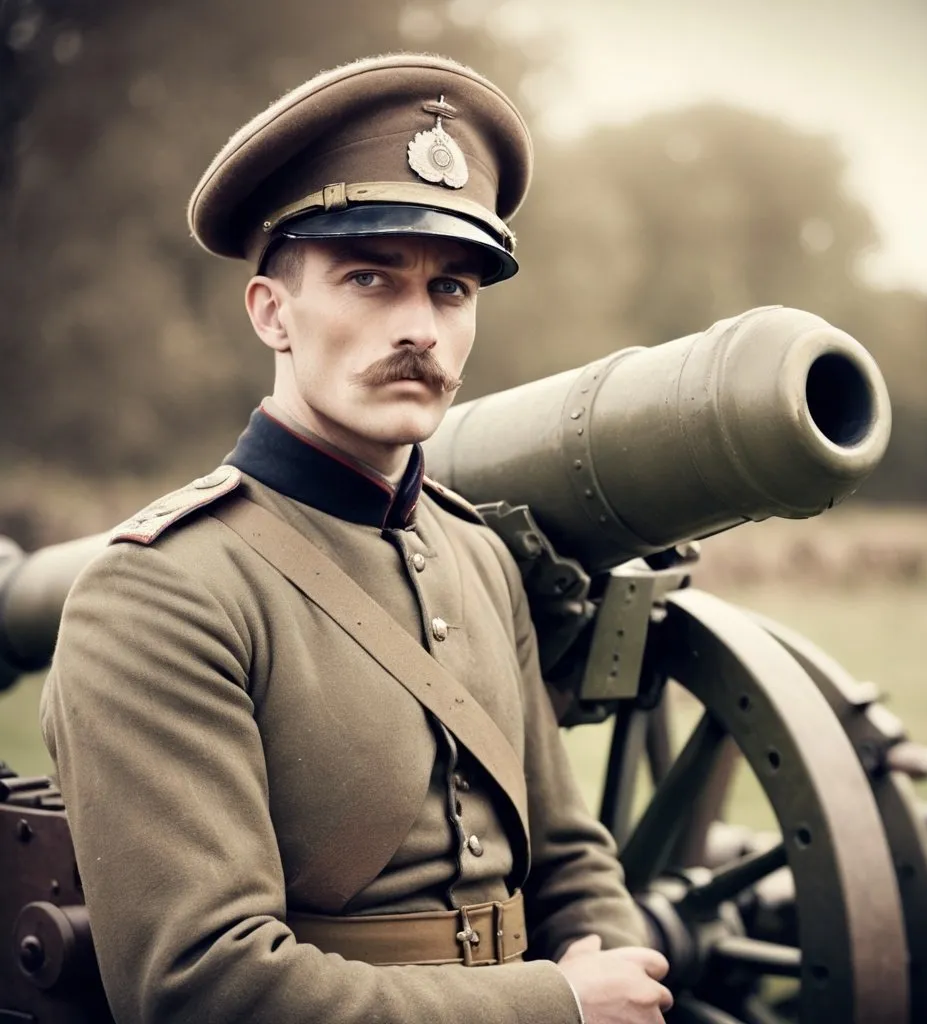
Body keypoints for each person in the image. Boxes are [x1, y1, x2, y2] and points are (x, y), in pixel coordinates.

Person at [40, 53, 673, 1024]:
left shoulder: (481, 558)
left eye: (452, 289)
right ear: (273, 313)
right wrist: (554, 1005)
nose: (418, 326)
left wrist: (620, 973)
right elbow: (201, 984)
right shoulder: (161, 593)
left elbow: (569, 853)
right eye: (369, 278)